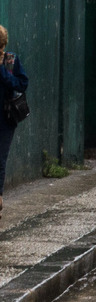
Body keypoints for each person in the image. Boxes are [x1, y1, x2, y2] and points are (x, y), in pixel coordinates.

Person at [0, 24, 28, 220]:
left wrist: (2, 72)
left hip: (5, 118)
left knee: (0, 158)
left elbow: (21, 84)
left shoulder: (11, 61)